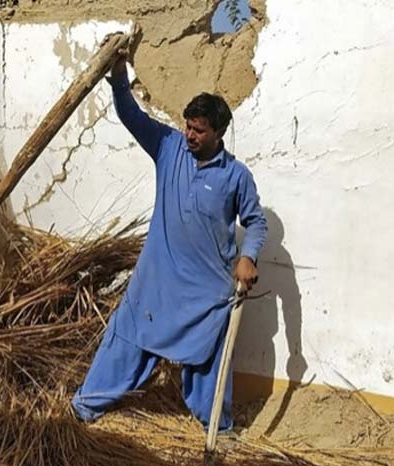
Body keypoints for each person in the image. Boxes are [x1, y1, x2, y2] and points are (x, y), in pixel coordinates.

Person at [71, 43, 268, 432]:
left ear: (219, 132)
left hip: (206, 291)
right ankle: (85, 407)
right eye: (187, 126)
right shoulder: (167, 147)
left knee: (209, 359)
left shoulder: (236, 176)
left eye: (198, 130)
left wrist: (249, 256)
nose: (189, 135)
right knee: (126, 337)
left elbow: (256, 222)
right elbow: (130, 114)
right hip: (157, 279)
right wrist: (118, 74)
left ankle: (218, 427)